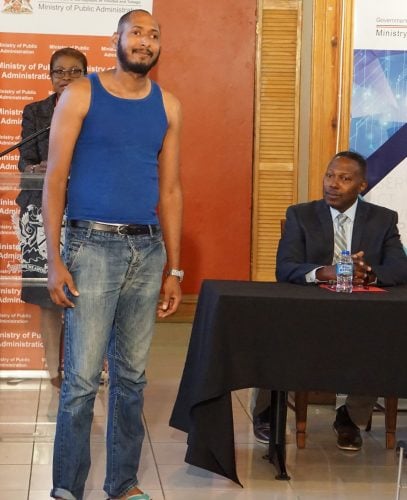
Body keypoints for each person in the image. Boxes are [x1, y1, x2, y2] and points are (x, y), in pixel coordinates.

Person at [42, 9, 183, 500]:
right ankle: (66, 488)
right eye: (137, 33)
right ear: (117, 39)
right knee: (81, 381)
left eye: (153, 35)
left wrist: (174, 268)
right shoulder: (81, 93)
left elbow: (170, 192)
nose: (145, 42)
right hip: (90, 247)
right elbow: (55, 179)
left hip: (148, 251)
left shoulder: (168, 105)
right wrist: (55, 261)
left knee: (132, 379)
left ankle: (122, 484)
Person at [253, 150, 407, 451]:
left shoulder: (383, 220)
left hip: (362, 316)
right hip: (310, 313)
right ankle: (269, 413)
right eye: (329, 175)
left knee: (385, 338)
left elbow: (400, 268)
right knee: (272, 327)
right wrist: (324, 272)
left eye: (344, 179)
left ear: (361, 185)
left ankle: (349, 417)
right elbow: (284, 267)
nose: (333, 184)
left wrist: (369, 275)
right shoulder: (301, 215)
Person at [16, 48, 88, 389]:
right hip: (41, 210)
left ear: (86, 76)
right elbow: (24, 161)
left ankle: (83, 370)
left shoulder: (96, 113)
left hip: (86, 211)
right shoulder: (35, 112)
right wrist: (35, 168)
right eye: (60, 72)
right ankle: (54, 373)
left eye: (75, 72)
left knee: (86, 295)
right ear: (50, 76)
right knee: (49, 300)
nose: (67, 78)